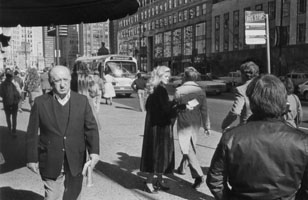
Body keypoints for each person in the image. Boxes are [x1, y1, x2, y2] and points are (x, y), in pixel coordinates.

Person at [206, 74, 308, 200]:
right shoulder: (302, 141)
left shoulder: (232, 137)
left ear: (252, 102)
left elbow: (215, 181)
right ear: (283, 101)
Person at [26, 65, 100, 200]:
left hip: (76, 158)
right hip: (50, 157)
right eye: (57, 80)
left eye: (65, 80)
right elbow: (31, 133)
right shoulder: (40, 103)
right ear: (51, 82)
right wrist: (31, 158)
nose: (62, 85)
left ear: (71, 79)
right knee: (51, 196)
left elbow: (91, 128)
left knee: (72, 196)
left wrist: (94, 152)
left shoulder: (82, 101)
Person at [140, 65, 186, 193]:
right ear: (159, 76)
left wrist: (173, 105)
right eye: (166, 76)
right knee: (159, 155)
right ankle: (149, 182)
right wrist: (180, 106)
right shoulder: (161, 90)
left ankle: (159, 180)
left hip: (154, 127)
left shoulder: (155, 89)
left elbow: (154, 107)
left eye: (168, 76)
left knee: (157, 155)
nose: (168, 78)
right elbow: (165, 110)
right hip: (160, 129)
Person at [173, 66, 211, 189]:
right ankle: (182, 168)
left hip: (183, 121)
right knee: (190, 146)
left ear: (184, 76)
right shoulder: (201, 91)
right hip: (196, 122)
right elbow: (204, 110)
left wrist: (170, 123)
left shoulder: (179, 90)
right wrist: (207, 126)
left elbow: (174, 108)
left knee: (186, 147)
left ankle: (198, 175)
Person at [221, 60, 259, 132]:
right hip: (265, 128)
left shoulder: (241, 89)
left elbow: (235, 112)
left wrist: (224, 125)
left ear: (243, 75)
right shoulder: (264, 87)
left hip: (247, 129)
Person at [0, 68, 22, 135]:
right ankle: (13, 130)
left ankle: (11, 129)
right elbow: (19, 93)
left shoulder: (3, 84)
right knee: (13, 117)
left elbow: (1, 94)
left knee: (9, 117)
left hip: (9, 103)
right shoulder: (14, 83)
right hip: (12, 103)